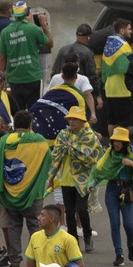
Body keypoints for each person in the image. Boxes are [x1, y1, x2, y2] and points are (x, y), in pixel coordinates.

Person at [0, 111, 53, 267]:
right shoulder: (39, 140)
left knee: (14, 227)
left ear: (14, 125)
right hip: (32, 193)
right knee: (35, 226)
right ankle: (38, 259)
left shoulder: (5, 140)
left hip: (10, 192)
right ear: (30, 125)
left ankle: (15, 260)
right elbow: (48, 160)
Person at [49, 108, 103, 253]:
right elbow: (56, 156)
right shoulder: (63, 135)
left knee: (81, 208)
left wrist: (72, 147)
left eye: (75, 119)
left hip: (83, 180)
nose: (71, 122)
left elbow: (91, 157)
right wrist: (51, 178)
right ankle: (73, 242)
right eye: (70, 119)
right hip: (66, 179)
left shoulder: (89, 136)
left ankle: (87, 236)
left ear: (82, 121)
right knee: (69, 211)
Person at [91, 128, 133, 267]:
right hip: (112, 190)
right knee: (114, 223)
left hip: (127, 190)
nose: (116, 143)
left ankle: (131, 243)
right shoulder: (109, 154)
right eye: (114, 140)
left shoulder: (132, 154)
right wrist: (92, 183)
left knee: (129, 224)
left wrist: (132, 164)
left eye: (119, 141)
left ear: (125, 142)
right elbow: (98, 169)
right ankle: (119, 254)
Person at [0, 1, 54, 113]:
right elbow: (50, 43)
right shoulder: (33, 29)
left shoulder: (5, 32)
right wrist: (44, 26)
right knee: (34, 111)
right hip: (33, 77)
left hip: (14, 78)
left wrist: (1, 78)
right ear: (27, 12)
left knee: (18, 112)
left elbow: (2, 58)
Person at [102, 18, 133, 133]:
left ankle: (112, 145)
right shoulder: (123, 45)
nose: (130, 32)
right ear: (122, 30)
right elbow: (129, 67)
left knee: (111, 121)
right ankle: (121, 147)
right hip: (121, 89)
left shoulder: (109, 44)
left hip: (109, 88)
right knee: (123, 123)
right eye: (129, 29)